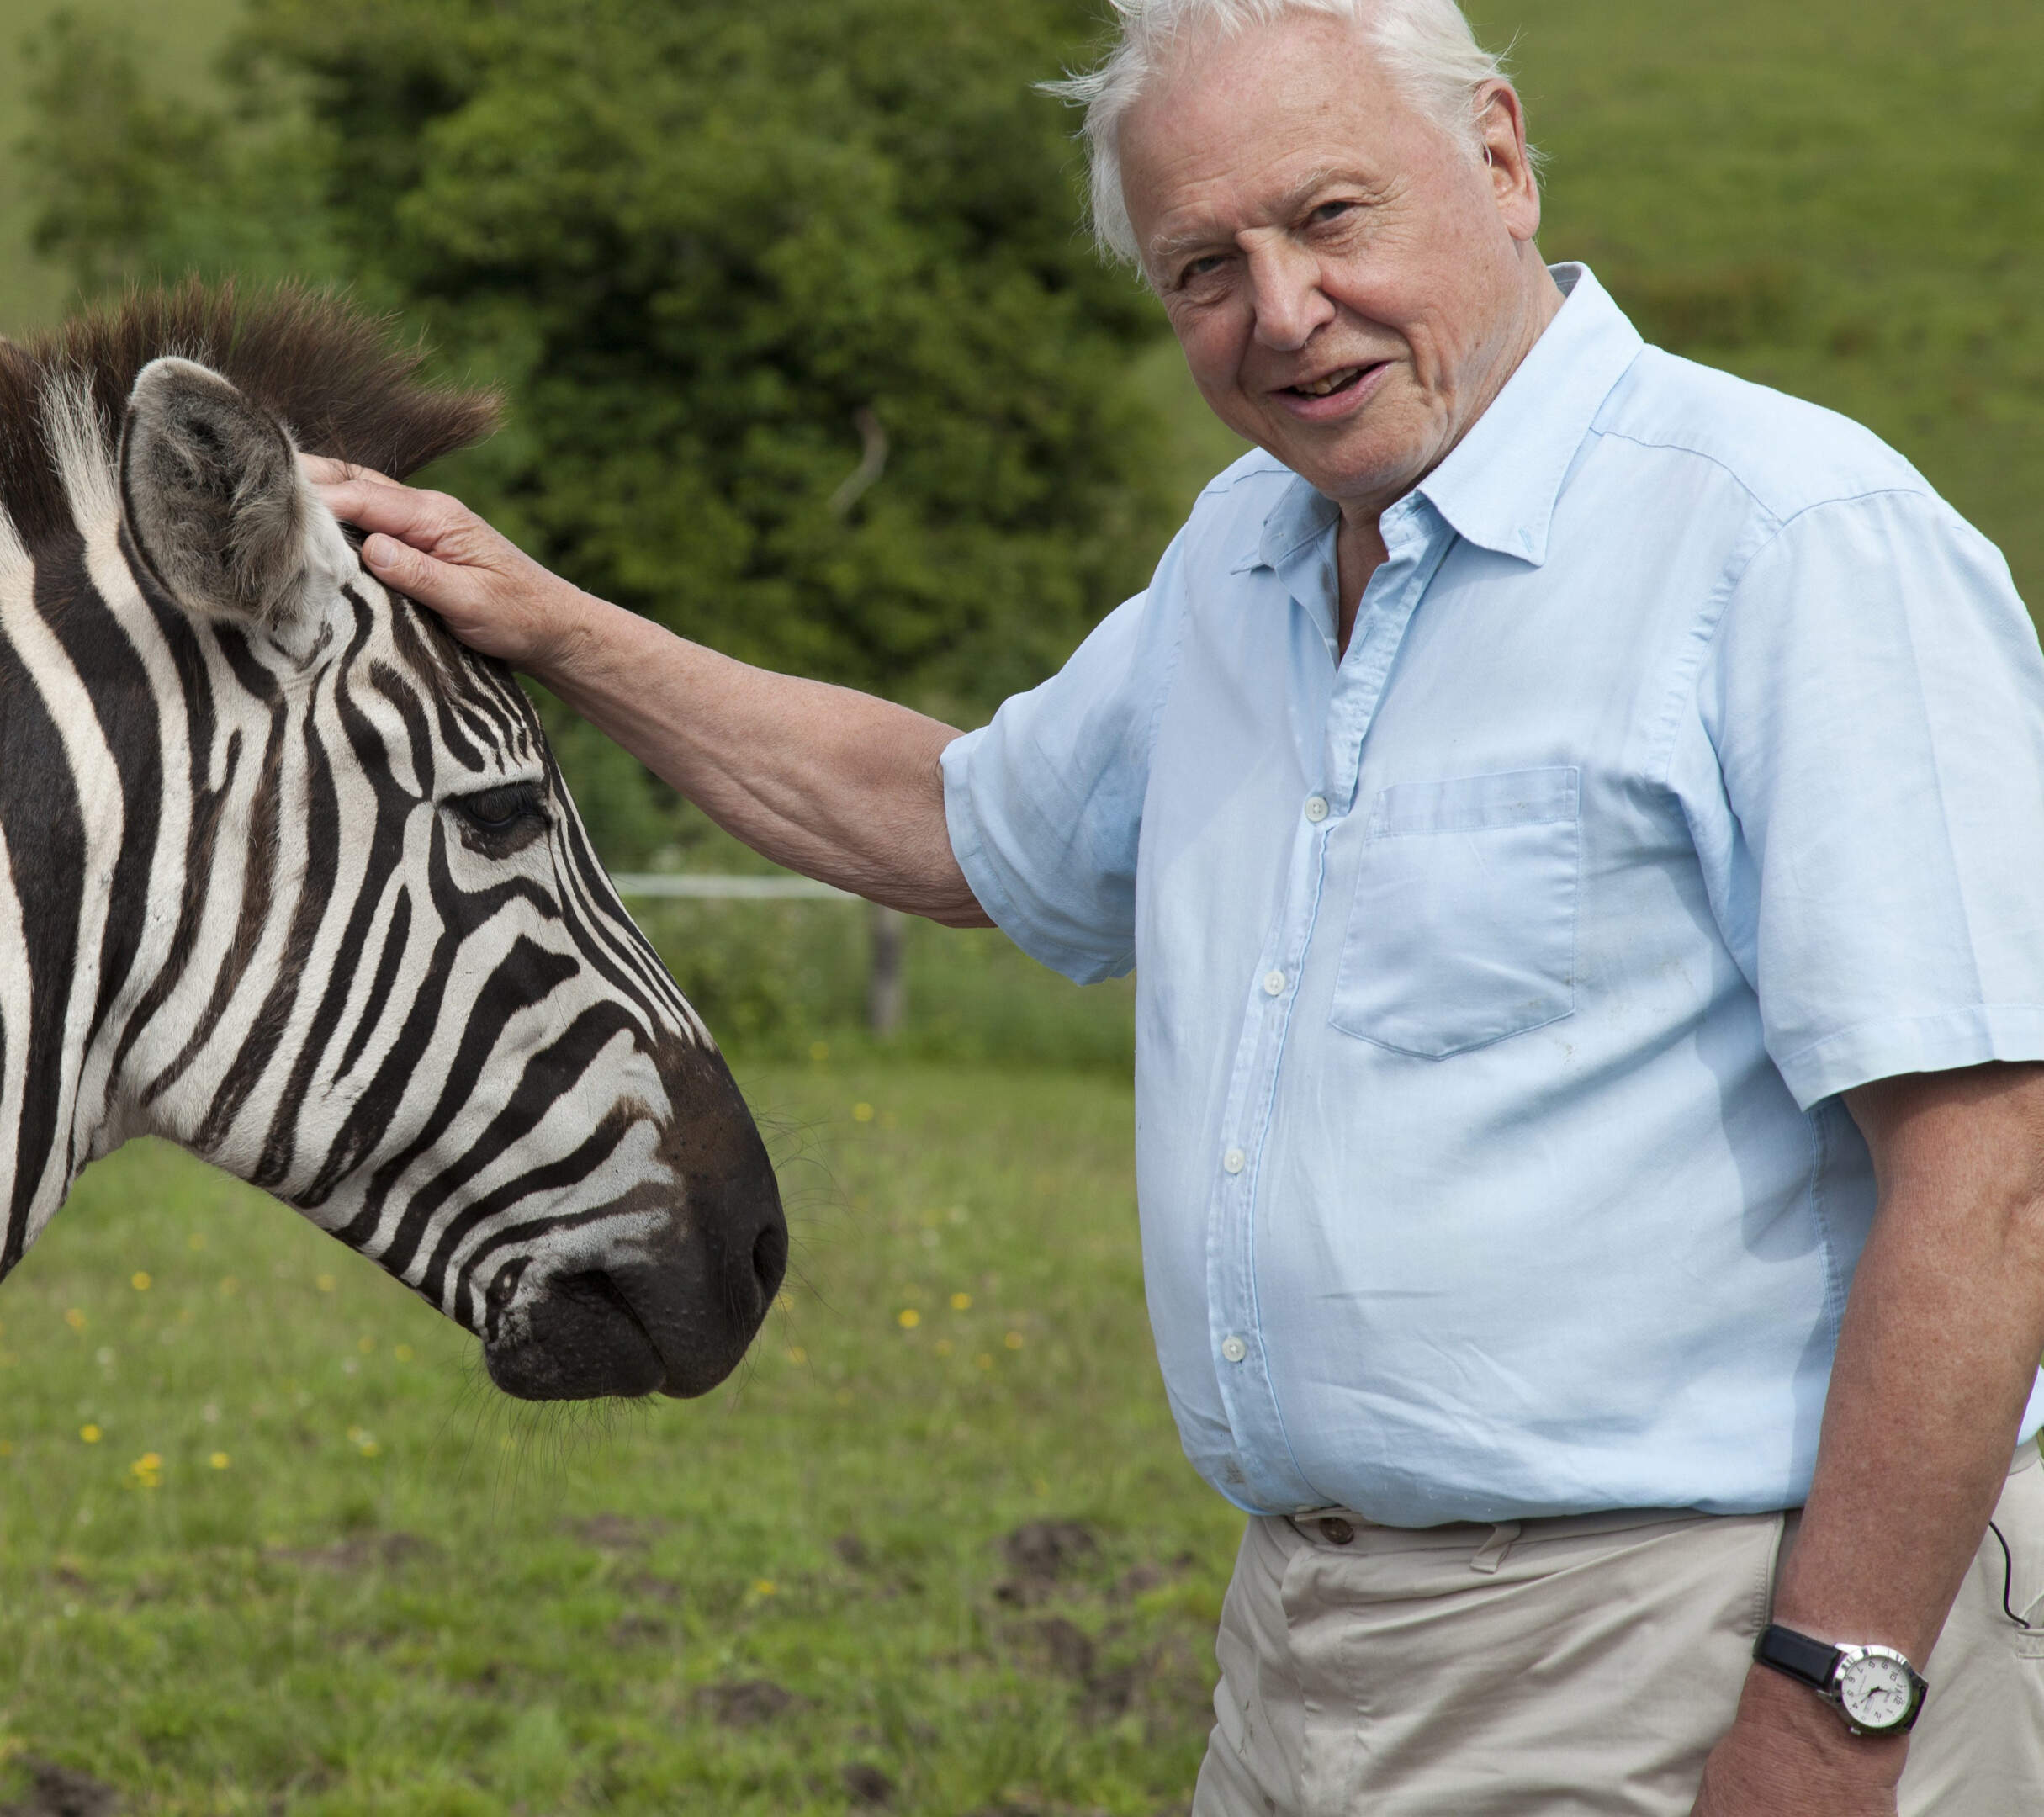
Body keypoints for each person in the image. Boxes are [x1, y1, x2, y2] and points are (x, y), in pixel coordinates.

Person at [302, 1, 2044, 1811]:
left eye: (1333, 219)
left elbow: (1993, 1173)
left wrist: (1833, 1698)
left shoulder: (1789, 540)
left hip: (1686, 1639)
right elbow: (957, 822)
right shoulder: (1245, 555)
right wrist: (554, 626)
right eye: (1202, 264)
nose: (1279, 312)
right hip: (1303, 1642)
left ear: (1505, 158)